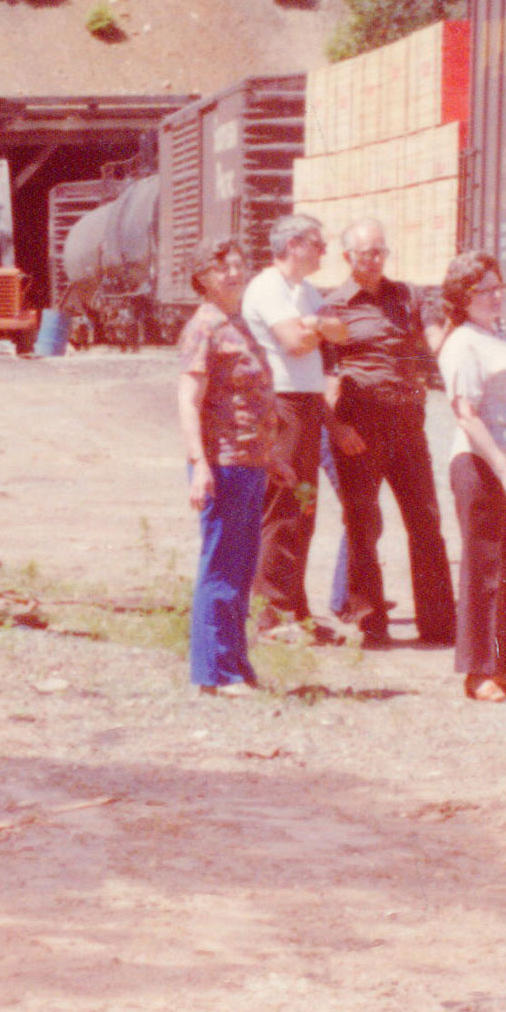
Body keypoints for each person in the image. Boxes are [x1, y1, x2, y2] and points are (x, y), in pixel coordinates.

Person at [321, 218, 456, 647]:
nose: (376, 260)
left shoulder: (409, 296)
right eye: (366, 253)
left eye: (381, 251)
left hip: (406, 424)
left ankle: (439, 625)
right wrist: (336, 427)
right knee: (362, 523)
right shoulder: (332, 308)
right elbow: (319, 376)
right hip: (359, 424)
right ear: (347, 258)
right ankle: (370, 621)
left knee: (426, 520)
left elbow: (435, 339)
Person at [177, 238, 286, 695]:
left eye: (240, 265)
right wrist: (200, 464)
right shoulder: (204, 327)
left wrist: (274, 455)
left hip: (250, 461)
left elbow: (252, 397)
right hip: (221, 463)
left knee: (241, 568)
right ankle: (214, 672)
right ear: (202, 278)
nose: (234, 273)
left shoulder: (236, 324)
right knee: (221, 566)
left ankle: (236, 667)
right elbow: (189, 399)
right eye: (222, 268)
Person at [437, 251, 506, 701]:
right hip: (483, 465)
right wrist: (503, 469)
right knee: (483, 569)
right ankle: (476, 671)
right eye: (484, 290)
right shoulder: (463, 343)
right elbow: (467, 414)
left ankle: (504, 666)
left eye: (499, 287)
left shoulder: (504, 336)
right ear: (462, 298)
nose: (496, 296)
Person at [239, 213, 348, 642]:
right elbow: (297, 342)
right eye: (317, 243)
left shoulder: (302, 292)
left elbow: (337, 333)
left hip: (306, 402)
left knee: (302, 509)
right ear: (293, 244)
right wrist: (316, 327)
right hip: (281, 405)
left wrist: (314, 325)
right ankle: (270, 617)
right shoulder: (268, 287)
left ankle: (295, 611)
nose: (323, 251)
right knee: (282, 507)